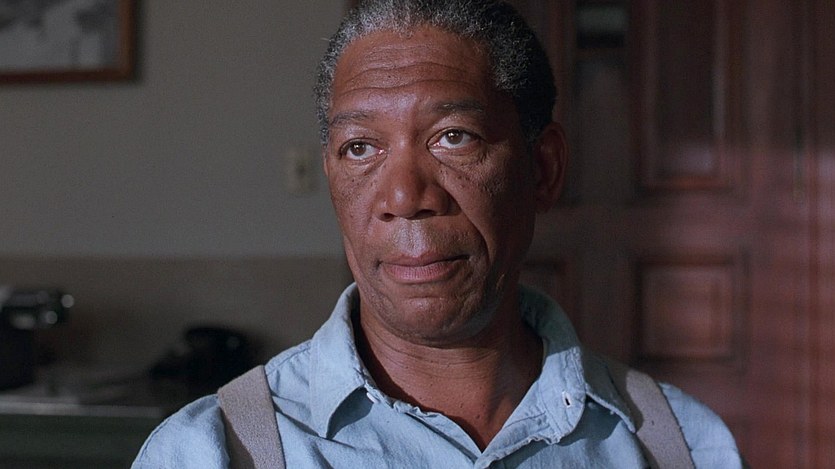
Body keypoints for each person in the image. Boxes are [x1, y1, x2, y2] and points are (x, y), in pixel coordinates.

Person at [132, 0, 744, 467]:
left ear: (543, 170)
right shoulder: (212, 452)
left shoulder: (680, 445)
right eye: (360, 147)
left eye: (453, 137)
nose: (405, 198)